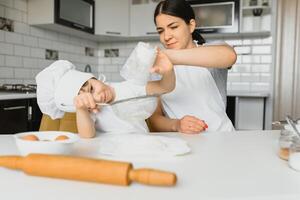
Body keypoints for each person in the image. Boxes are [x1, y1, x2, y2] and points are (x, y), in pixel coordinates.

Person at [36, 42, 176, 138]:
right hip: (109, 150)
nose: (96, 97)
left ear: (93, 78)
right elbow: (87, 135)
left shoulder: (129, 87)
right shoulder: (91, 111)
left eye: (91, 88)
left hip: (141, 144)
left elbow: (165, 87)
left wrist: (168, 71)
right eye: (88, 100)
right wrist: (82, 110)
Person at [148, 0, 237, 133]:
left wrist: (169, 56)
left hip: (222, 138)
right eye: (161, 31)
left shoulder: (211, 50)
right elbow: (154, 120)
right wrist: (177, 125)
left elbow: (230, 56)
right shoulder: (157, 68)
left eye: (173, 27)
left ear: (191, 26)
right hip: (182, 143)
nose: (166, 36)